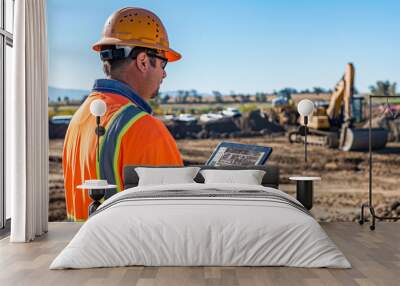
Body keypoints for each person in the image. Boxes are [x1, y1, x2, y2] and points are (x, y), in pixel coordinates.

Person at [63, 7, 183, 221]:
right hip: (128, 254)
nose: (164, 72)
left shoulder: (79, 119)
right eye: (163, 62)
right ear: (143, 61)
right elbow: (174, 215)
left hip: (83, 246)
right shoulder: (146, 129)